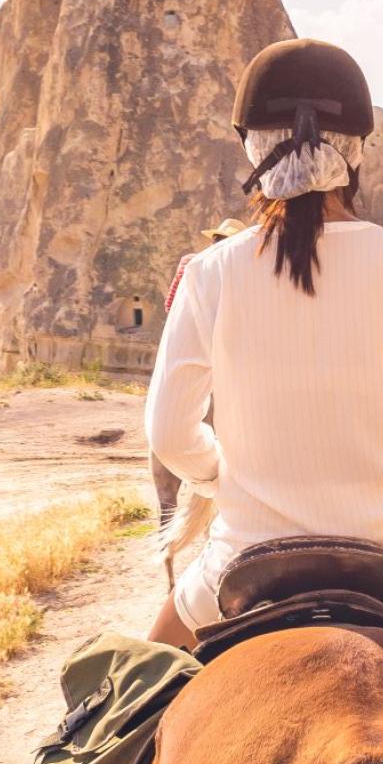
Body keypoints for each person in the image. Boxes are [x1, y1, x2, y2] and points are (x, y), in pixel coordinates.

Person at [144, 38, 383, 663]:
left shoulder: (211, 272)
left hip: (247, 560)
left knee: (122, 711)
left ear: (252, 148)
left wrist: (222, 476)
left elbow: (169, 434)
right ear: (358, 152)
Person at [151, 217, 245, 546]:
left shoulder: (193, 265)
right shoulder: (235, 268)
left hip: (189, 347)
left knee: (167, 412)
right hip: (222, 356)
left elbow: (171, 307)